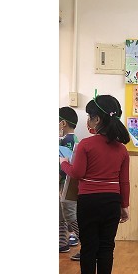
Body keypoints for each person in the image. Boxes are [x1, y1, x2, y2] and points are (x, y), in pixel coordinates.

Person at [60, 94, 131, 274]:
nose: (88, 121)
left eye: (89, 117)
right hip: (111, 202)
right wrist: (124, 206)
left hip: (88, 202)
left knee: (89, 245)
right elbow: (124, 182)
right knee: (107, 246)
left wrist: (64, 163)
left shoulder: (85, 145)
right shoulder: (122, 150)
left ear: (97, 119)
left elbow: (78, 173)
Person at [59, 107, 81, 256]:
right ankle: (62, 242)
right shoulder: (74, 139)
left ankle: (85, 243)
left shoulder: (66, 141)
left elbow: (63, 164)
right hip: (67, 183)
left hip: (67, 184)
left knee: (69, 213)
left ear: (63, 123)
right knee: (61, 212)